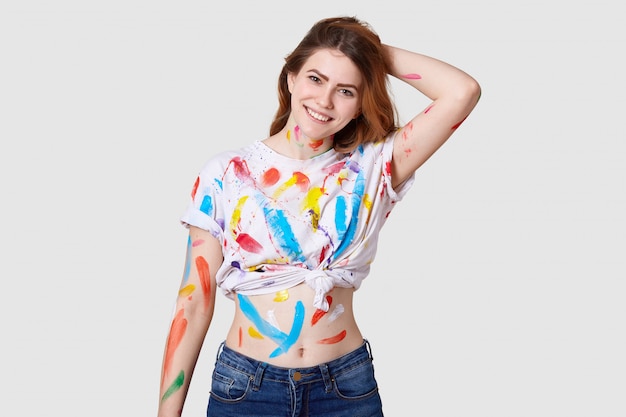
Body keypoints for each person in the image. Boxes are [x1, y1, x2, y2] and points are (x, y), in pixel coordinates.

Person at [157, 15, 481, 417]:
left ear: (362, 101)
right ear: (291, 77)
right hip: (246, 387)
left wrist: (363, 49)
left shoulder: (374, 167)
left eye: (345, 89)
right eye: (315, 79)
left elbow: (462, 92)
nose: (325, 101)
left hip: (344, 388)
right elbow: (193, 302)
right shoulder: (226, 174)